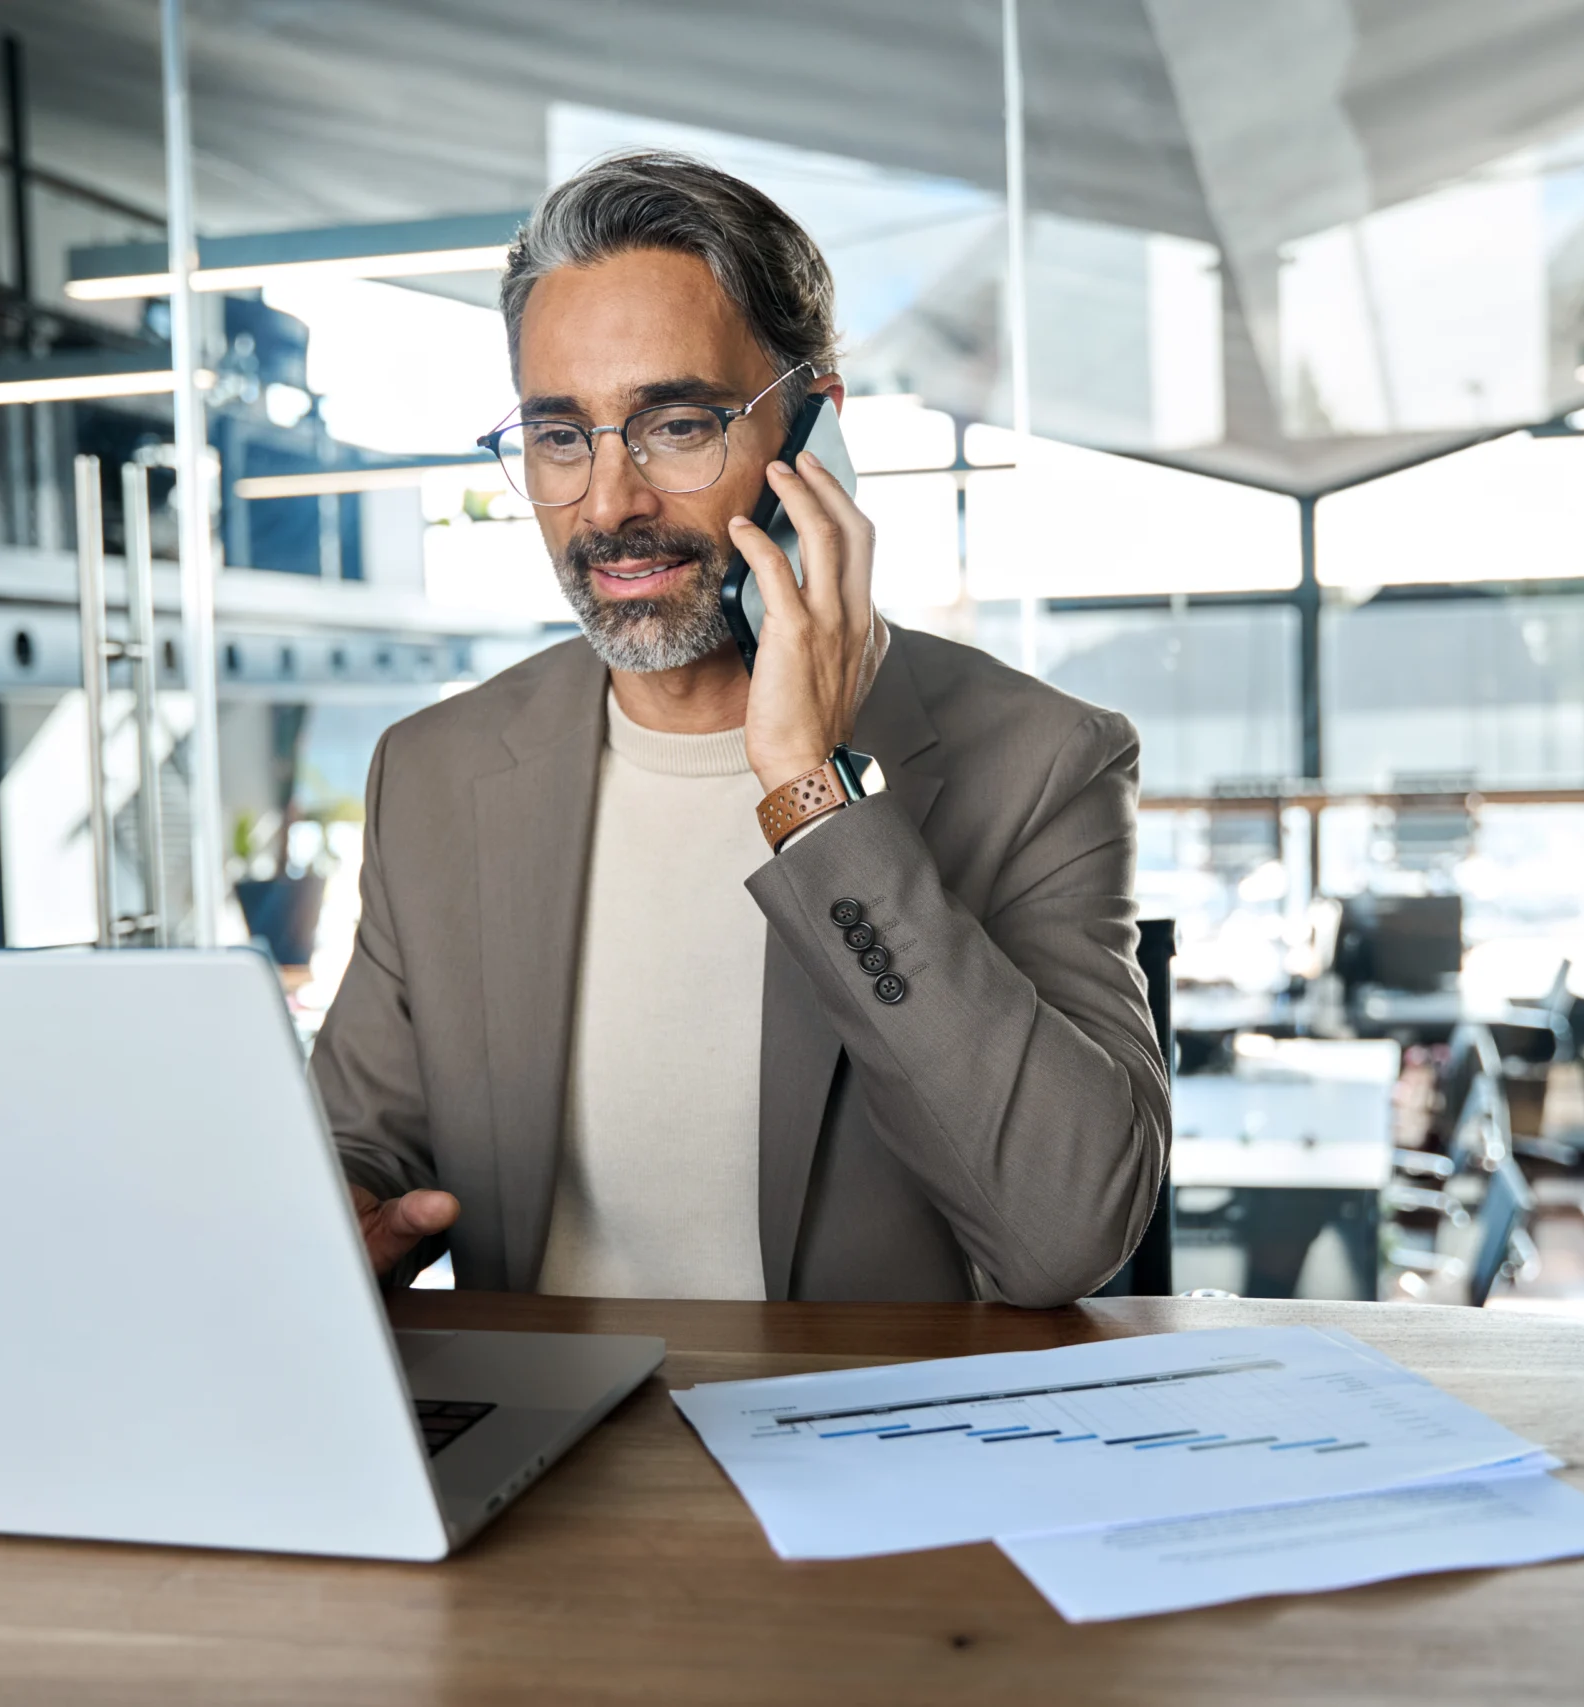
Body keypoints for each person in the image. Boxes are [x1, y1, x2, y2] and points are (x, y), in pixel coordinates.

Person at [310, 150, 1167, 1307]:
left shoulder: (1039, 761)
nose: (608, 505)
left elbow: (1067, 1235)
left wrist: (810, 792)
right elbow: (361, 1152)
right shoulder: (436, 771)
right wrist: (334, 1229)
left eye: (675, 425)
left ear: (811, 432)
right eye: (561, 437)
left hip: (867, 1468)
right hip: (546, 1470)